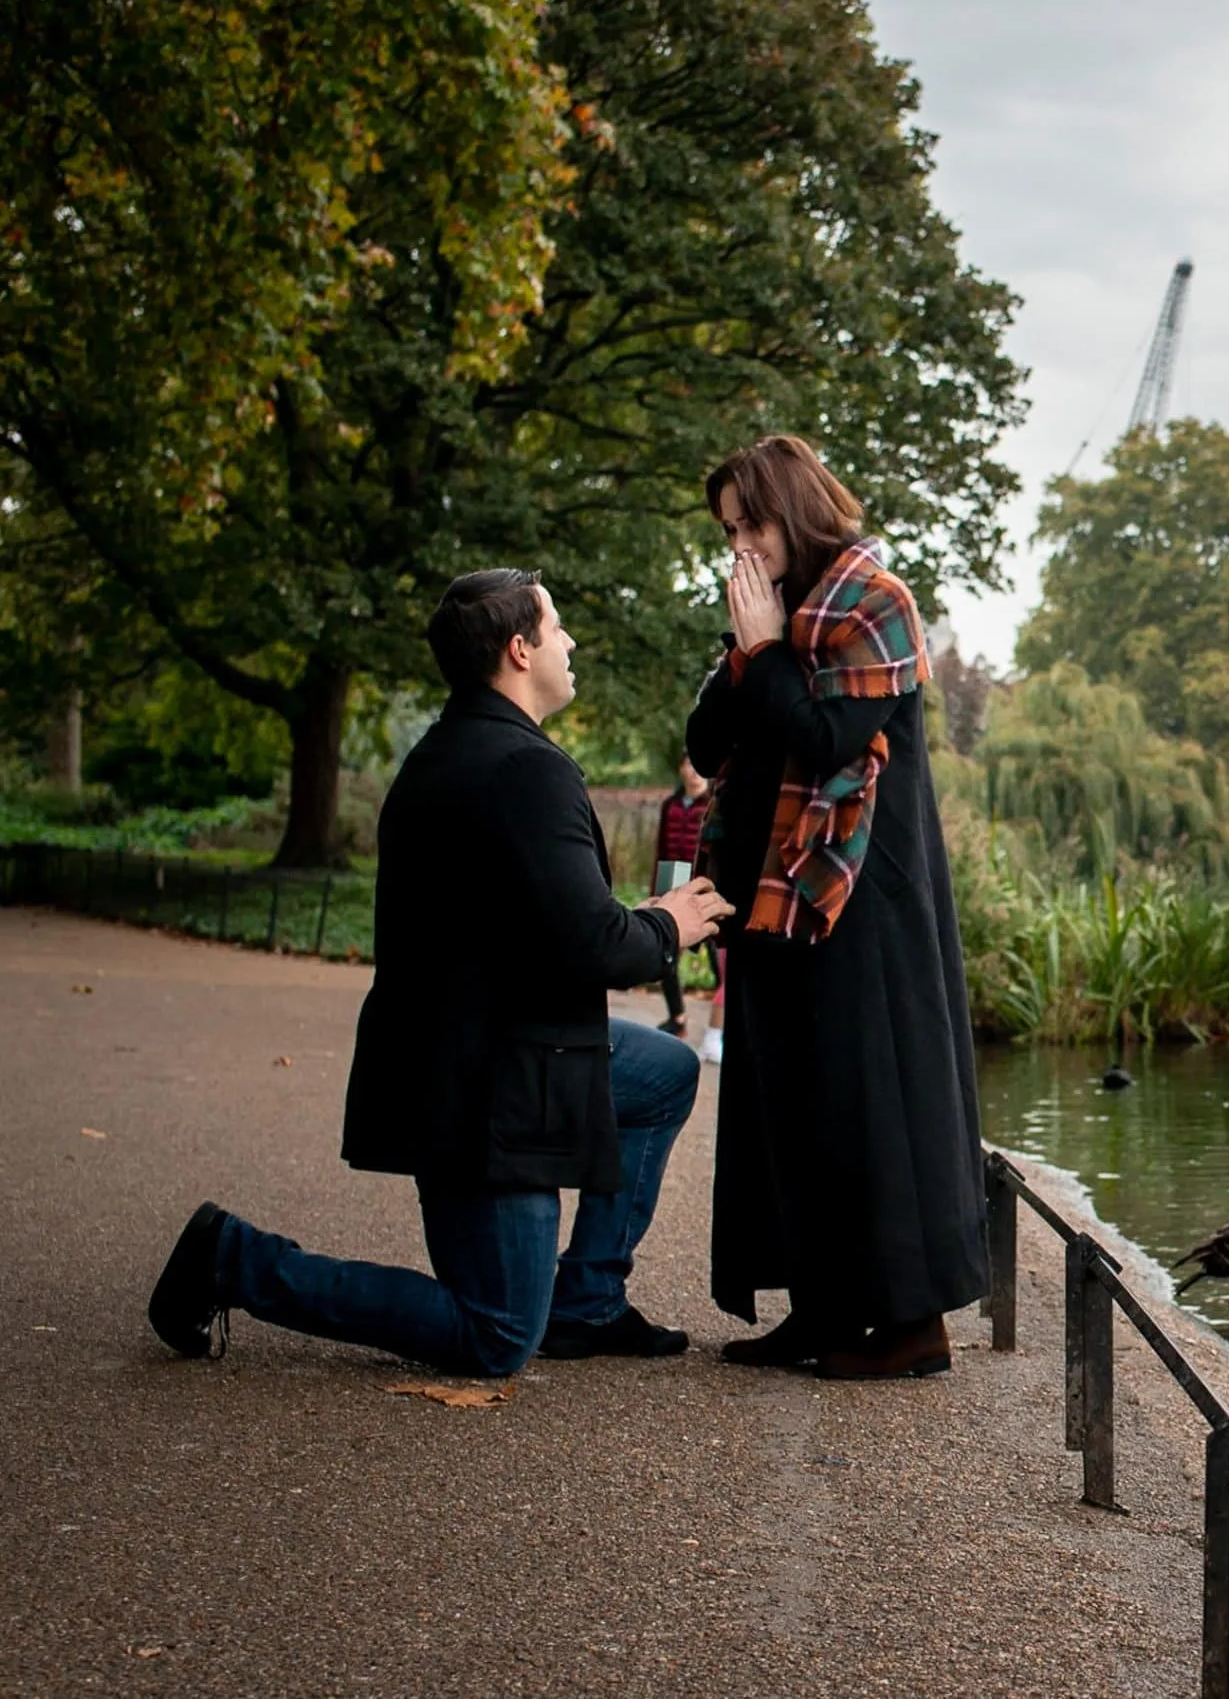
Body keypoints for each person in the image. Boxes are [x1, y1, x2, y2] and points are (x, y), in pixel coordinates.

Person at [146, 570, 734, 1375]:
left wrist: (627, 918)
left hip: (467, 1050)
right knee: (493, 1336)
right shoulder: (529, 769)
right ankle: (234, 1259)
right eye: (557, 628)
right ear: (519, 648)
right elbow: (596, 950)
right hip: (489, 1090)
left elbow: (523, 923)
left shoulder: (448, 751)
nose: (571, 643)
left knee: (665, 1070)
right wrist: (672, 923)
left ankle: (589, 1299)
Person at [686, 434, 987, 1379]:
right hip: (776, 897)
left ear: (795, 512)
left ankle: (909, 1326)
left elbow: (820, 740)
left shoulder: (872, 603)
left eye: (752, 525)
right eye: (729, 530)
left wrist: (768, 652)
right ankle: (819, 1311)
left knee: (871, 1105)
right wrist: (750, 655)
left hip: (863, 903)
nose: (740, 547)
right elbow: (707, 740)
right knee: (792, 1105)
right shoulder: (772, 612)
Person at [652, 754, 718, 1038]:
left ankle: (722, 1023)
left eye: (696, 765)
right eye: (687, 765)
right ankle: (677, 1016)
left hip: (703, 886)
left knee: (718, 958)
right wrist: (657, 889)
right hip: (673, 885)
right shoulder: (671, 804)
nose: (692, 772)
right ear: (680, 769)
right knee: (667, 955)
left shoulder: (713, 802)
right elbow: (660, 847)